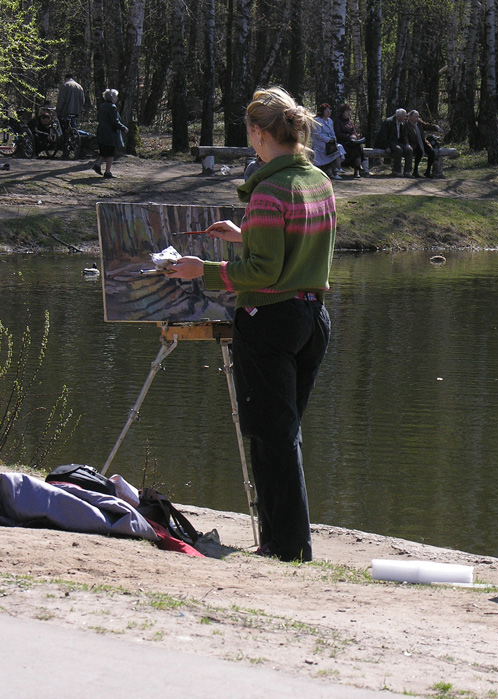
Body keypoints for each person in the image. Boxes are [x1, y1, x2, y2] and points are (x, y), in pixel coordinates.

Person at [165, 86, 336, 564]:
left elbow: (262, 273)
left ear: (260, 134)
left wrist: (205, 271)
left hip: (270, 321)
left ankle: (286, 547)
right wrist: (246, 236)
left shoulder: (267, 189)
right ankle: (290, 543)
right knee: (286, 431)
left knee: (269, 433)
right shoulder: (318, 180)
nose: (251, 144)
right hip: (312, 317)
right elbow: (295, 248)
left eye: (250, 136)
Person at [93, 88, 127, 179]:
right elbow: (115, 121)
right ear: (112, 97)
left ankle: (97, 165)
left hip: (101, 131)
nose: (117, 98)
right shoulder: (112, 107)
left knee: (104, 152)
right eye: (116, 96)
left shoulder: (102, 106)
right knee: (110, 153)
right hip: (109, 133)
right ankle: (107, 172)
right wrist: (123, 128)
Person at [333, 103, 368, 178]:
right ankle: (358, 167)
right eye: (347, 111)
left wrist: (353, 137)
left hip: (351, 142)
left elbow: (354, 132)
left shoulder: (350, 121)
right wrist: (349, 137)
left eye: (349, 112)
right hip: (342, 142)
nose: (349, 113)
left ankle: (357, 169)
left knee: (357, 147)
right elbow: (338, 134)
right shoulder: (337, 121)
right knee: (356, 148)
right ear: (342, 112)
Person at [405, 109, 442, 178]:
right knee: (419, 152)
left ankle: (428, 172)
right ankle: (415, 171)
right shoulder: (407, 124)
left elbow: (427, 126)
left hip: (422, 141)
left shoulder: (419, 123)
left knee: (432, 152)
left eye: (418, 116)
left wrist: (436, 127)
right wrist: (407, 143)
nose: (417, 118)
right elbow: (405, 136)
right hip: (413, 143)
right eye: (415, 117)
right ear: (410, 117)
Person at [311, 103, 344, 179]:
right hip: (319, 143)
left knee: (339, 147)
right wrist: (328, 139)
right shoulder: (317, 121)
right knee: (334, 150)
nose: (329, 112)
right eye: (327, 111)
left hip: (329, 143)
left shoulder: (330, 121)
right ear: (322, 111)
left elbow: (332, 132)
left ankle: (337, 169)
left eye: (330, 111)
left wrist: (333, 139)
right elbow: (318, 134)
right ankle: (335, 171)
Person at [374, 108, 411, 176]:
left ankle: (407, 171)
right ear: (398, 116)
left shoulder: (402, 124)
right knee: (398, 150)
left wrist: (406, 144)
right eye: (404, 116)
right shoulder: (389, 122)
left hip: (397, 142)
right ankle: (396, 171)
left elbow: (404, 136)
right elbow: (382, 136)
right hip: (389, 142)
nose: (405, 118)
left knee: (409, 150)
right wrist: (386, 147)